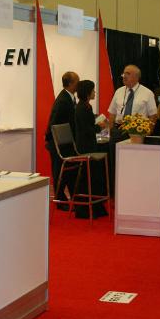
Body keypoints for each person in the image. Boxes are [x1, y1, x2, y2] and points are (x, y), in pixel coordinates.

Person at [107, 64, 157, 193]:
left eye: (128, 73)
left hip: (136, 133)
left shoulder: (147, 93)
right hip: (118, 131)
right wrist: (110, 130)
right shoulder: (119, 91)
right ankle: (115, 192)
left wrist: (148, 131)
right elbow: (112, 113)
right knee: (115, 163)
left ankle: (132, 191)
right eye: (124, 73)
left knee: (132, 165)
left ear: (136, 76)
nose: (124, 76)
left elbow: (153, 115)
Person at [74, 80, 108, 218]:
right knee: (95, 171)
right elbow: (87, 130)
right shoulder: (83, 108)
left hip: (86, 145)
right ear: (88, 92)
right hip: (85, 148)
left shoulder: (84, 106)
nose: (95, 92)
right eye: (93, 90)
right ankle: (93, 205)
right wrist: (100, 126)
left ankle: (97, 204)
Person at [45, 71, 79, 206]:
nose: (79, 84)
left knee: (65, 172)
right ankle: (59, 200)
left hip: (63, 142)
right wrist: (54, 141)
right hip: (58, 143)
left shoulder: (67, 98)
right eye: (77, 81)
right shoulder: (64, 100)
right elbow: (54, 123)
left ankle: (63, 198)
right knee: (59, 171)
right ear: (71, 83)